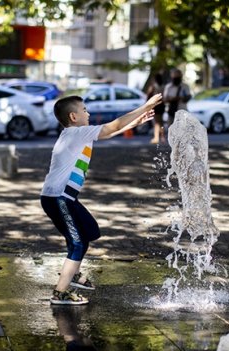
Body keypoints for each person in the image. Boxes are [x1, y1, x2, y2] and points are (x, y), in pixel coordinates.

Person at [40, 93, 162, 305]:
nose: (88, 113)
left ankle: (73, 273)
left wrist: (135, 122)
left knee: (90, 232)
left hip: (65, 199)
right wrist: (145, 106)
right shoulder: (75, 134)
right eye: (84, 110)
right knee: (77, 244)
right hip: (58, 198)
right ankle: (60, 293)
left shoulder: (77, 134)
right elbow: (112, 127)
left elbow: (110, 132)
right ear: (73, 116)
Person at [145, 72, 166, 144]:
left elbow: (148, 96)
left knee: (157, 122)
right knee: (161, 122)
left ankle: (156, 137)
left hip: (156, 105)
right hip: (162, 105)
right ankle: (162, 137)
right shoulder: (163, 86)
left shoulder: (153, 86)